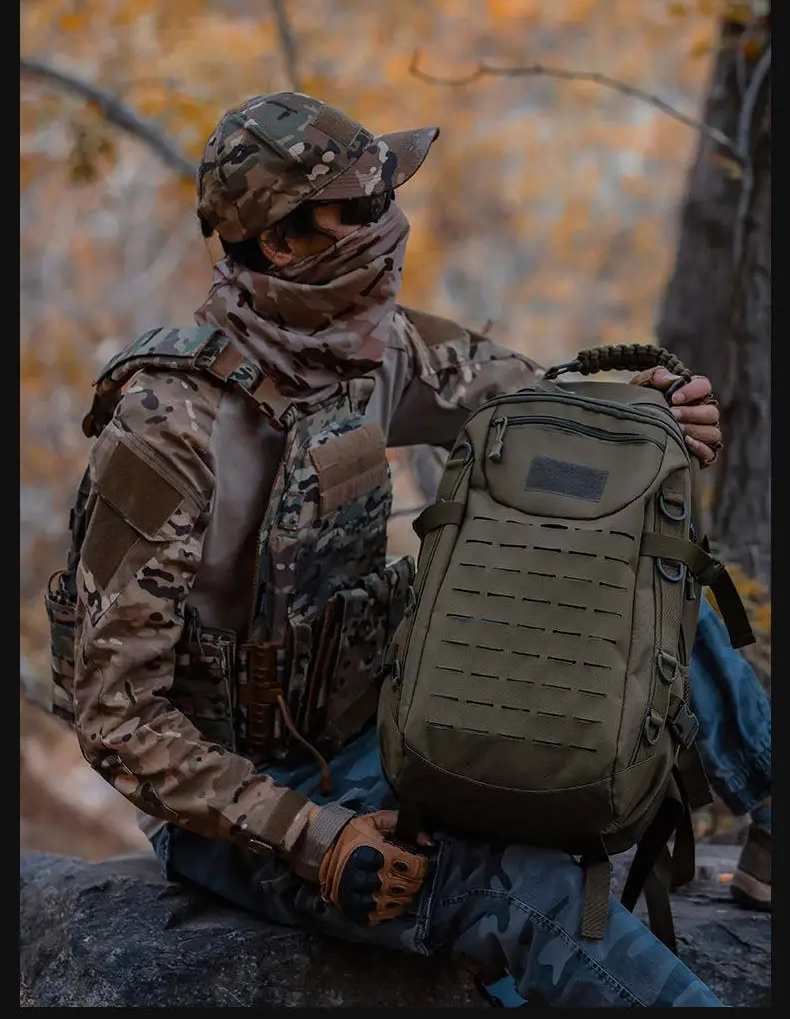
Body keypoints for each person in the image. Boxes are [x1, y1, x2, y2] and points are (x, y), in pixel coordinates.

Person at [71, 92, 767, 1008]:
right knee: (525, 890)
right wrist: (310, 835)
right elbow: (116, 717)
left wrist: (651, 415)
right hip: (246, 803)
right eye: (360, 208)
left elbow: (538, 407)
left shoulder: (373, 347)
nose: (391, 222)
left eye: (387, 196)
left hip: (385, 719)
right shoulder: (166, 427)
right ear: (281, 242)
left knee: (629, 583)